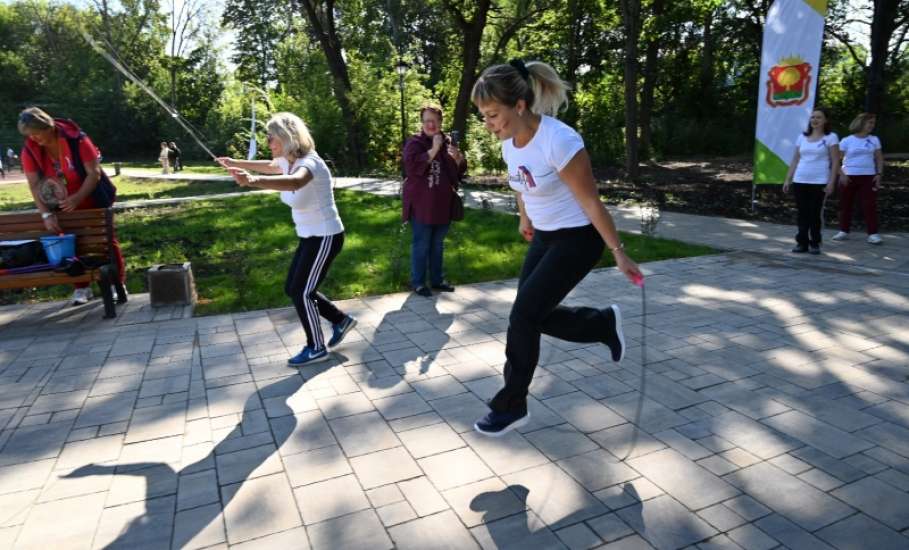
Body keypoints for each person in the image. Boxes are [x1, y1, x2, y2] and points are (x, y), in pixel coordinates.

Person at [470, 60, 643, 436]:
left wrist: (618, 252)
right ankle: (601, 323)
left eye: (493, 114)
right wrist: (524, 217)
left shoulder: (559, 141)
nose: (488, 124)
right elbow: (520, 183)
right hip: (547, 236)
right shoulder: (510, 144)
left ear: (519, 105)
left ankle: (512, 403)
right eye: (483, 116)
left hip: (579, 239)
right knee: (531, 314)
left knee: (523, 317)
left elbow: (593, 202)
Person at [218, 112, 357, 366]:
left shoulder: (309, 164)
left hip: (326, 236)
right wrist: (233, 162)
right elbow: (271, 166)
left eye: (271, 137)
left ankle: (316, 347)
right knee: (294, 288)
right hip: (309, 236)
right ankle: (340, 320)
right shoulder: (286, 160)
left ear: (285, 137)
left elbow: (295, 182)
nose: (268, 142)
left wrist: (252, 181)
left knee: (302, 292)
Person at [18, 107, 127, 305]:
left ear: (48, 126)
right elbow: (34, 184)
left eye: (37, 133)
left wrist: (77, 198)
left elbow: (93, 173)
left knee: (106, 240)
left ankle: (116, 283)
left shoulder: (76, 138)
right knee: (69, 242)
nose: (34, 138)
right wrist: (46, 215)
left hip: (91, 196)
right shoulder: (29, 150)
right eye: (29, 135)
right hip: (59, 200)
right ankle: (81, 287)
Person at [402, 105, 467, 297]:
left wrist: (459, 159)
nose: (431, 124)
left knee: (437, 244)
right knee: (421, 244)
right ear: (422, 123)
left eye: (434, 121)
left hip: (443, 204)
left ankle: (437, 280)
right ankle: (419, 282)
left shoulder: (449, 142)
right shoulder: (415, 143)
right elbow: (412, 167)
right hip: (421, 204)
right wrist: (434, 148)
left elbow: (460, 171)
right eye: (427, 121)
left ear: (440, 122)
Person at [782, 108, 840, 255]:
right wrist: (788, 179)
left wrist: (831, 182)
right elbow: (795, 159)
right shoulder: (802, 137)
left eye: (819, 117)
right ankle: (801, 242)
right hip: (800, 180)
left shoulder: (831, 137)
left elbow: (835, 162)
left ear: (825, 120)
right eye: (813, 117)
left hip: (819, 181)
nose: (815, 120)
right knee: (802, 213)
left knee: (814, 213)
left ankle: (815, 243)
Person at [833, 113, 884, 245]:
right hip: (848, 177)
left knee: (869, 205)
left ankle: (873, 234)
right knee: (845, 205)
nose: (872, 126)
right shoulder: (846, 140)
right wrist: (842, 175)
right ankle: (843, 231)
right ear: (860, 123)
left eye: (873, 123)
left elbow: (879, 158)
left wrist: (878, 174)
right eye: (869, 123)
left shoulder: (874, 140)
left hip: (869, 177)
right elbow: (836, 160)